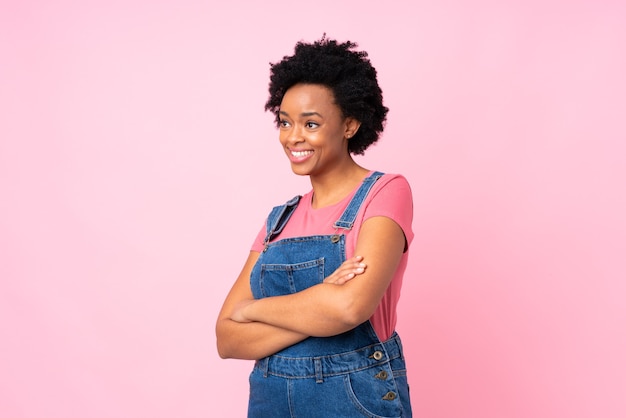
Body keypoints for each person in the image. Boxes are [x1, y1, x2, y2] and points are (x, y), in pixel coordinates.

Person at [216, 36, 414, 417]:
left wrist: (253, 312)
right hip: (271, 404)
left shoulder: (386, 192)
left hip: (355, 400)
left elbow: (349, 307)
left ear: (350, 124)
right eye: (285, 122)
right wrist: (321, 296)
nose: (294, 137)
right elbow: (227, 338)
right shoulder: (278, 220)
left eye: (311, 123)